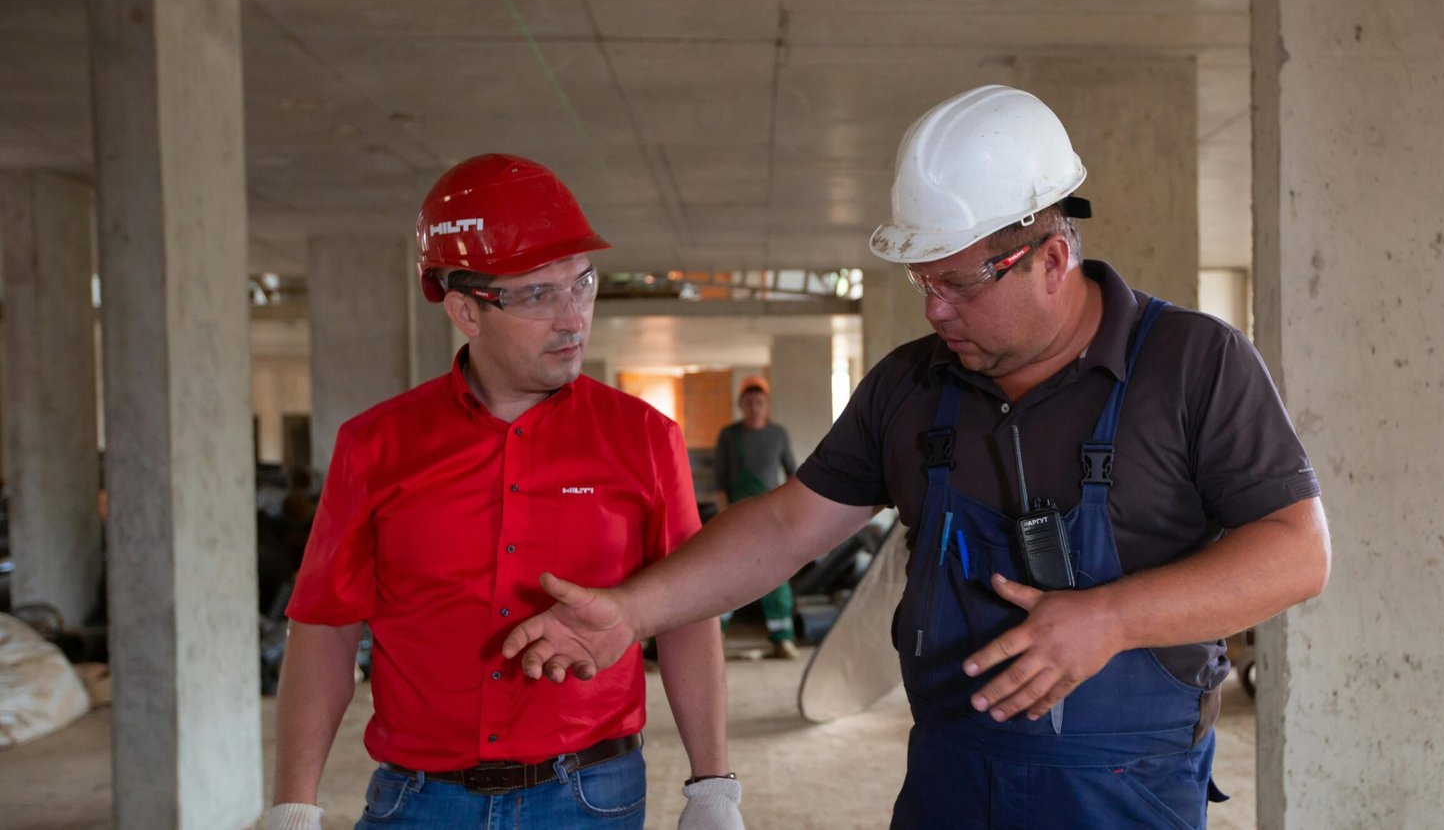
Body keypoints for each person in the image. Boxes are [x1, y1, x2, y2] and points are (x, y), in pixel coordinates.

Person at [501, 85, 1334, 828]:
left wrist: (1113, 618)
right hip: (948, 780)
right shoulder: (910, 385)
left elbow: (1298, 550)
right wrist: (634, 611)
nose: (934, 309)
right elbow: (787, 527)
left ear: (1052, 258)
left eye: (958, 284)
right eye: (921, 281)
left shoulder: (1193, 363)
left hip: (1126, 789)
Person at [266, 154, 744, 830]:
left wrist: (713, 784)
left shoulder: (644, 437)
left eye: (581, 284)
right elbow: (326, 625)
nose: (572, 319)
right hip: (420, 801)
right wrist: (293, 804)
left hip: (588, 796)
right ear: (466, 310)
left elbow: (688, 612)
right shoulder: (375, 446)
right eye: (537, 295)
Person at [711, 376, 800, 659]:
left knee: (776, 576)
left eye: (759, 402)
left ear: (767, 405)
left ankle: (782, 639)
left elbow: (794, 474)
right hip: (737, 515)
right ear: (741, 405)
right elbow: (719, 481)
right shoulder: (730, 435)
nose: (754, 407)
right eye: (749, 402)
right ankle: (714, 638)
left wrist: (792, 513)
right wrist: (724, 518)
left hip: (771, 517)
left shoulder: (778, 435)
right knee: (728, 575)